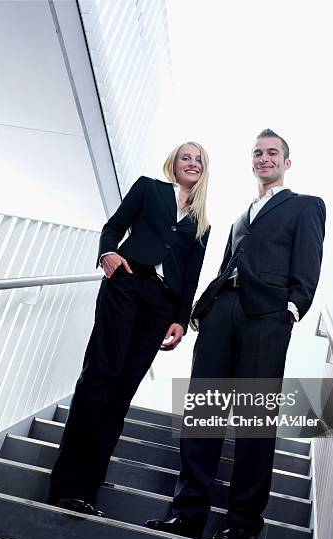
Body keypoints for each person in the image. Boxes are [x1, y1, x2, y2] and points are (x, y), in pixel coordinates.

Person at [146, 129, 326, 539]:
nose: (264, 158)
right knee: (202, 413)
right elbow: (229, 262)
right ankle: (188, 514)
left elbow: (309, 262)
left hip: (266, 317)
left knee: (253, 420)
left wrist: (292, 309)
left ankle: (243, 524)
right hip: (222, 312)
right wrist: (205, 310)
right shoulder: (240, 217)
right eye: (257, 153)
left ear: (287, 161)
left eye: (272, 153)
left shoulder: (305, 206)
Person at [47, 142, 211, 516]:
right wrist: (108, 252)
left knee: (121, 394)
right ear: (174, 162)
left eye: (199, 159)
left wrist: (180, 319)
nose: (193, 163)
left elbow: (192, 277)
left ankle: (85, 493)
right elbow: (115, 225)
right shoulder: (148, 188)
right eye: (186, 157)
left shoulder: (202, 223)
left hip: (161, 306)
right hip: (127, 281)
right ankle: (65, 486)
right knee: (100, 377)